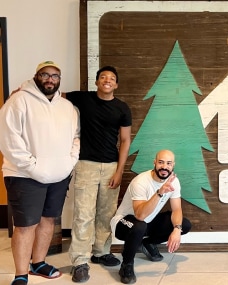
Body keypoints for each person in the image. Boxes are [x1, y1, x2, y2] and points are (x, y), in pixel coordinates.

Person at [0, 61, 80, 285]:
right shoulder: (18, 101)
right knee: (26, 225)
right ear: (36, 76)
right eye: (45, 75)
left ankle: (39, 263)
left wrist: (69, 162)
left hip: (58, 174)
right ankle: (20, 274)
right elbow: (8, 139)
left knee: (48, 220)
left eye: (55, 76)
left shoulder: (67, 107)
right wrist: (33, 167)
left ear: (59, 80)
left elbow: (76, 138)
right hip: (24, 175)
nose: (50, 79)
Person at [66, 66, 132, 283]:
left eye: (112, 78)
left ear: (116, 84)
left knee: (106, 214)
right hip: (86, 164)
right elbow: (55, 95)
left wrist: (119, 171)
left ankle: (101, 252)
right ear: (96, 82)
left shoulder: (122, 108)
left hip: (111, 166)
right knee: (83, 215)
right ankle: (79, 262)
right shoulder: (82, 99)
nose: (107, 80)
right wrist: (24, 91)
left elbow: (125, 140)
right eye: (103, 77)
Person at [110, 149, 192, 284]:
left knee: (184, 224)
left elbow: (177, 209)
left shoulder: (174, 182)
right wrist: (159, 192)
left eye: (168, 163)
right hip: (124, 222)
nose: (164, 167)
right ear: (154, 163)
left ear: (173, 165)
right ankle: (126, 266)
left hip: (147, 222)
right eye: (161, 162)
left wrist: (177, 229)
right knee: (139, 226)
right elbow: (140, 215)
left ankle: (147, 243)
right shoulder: (141, 182)